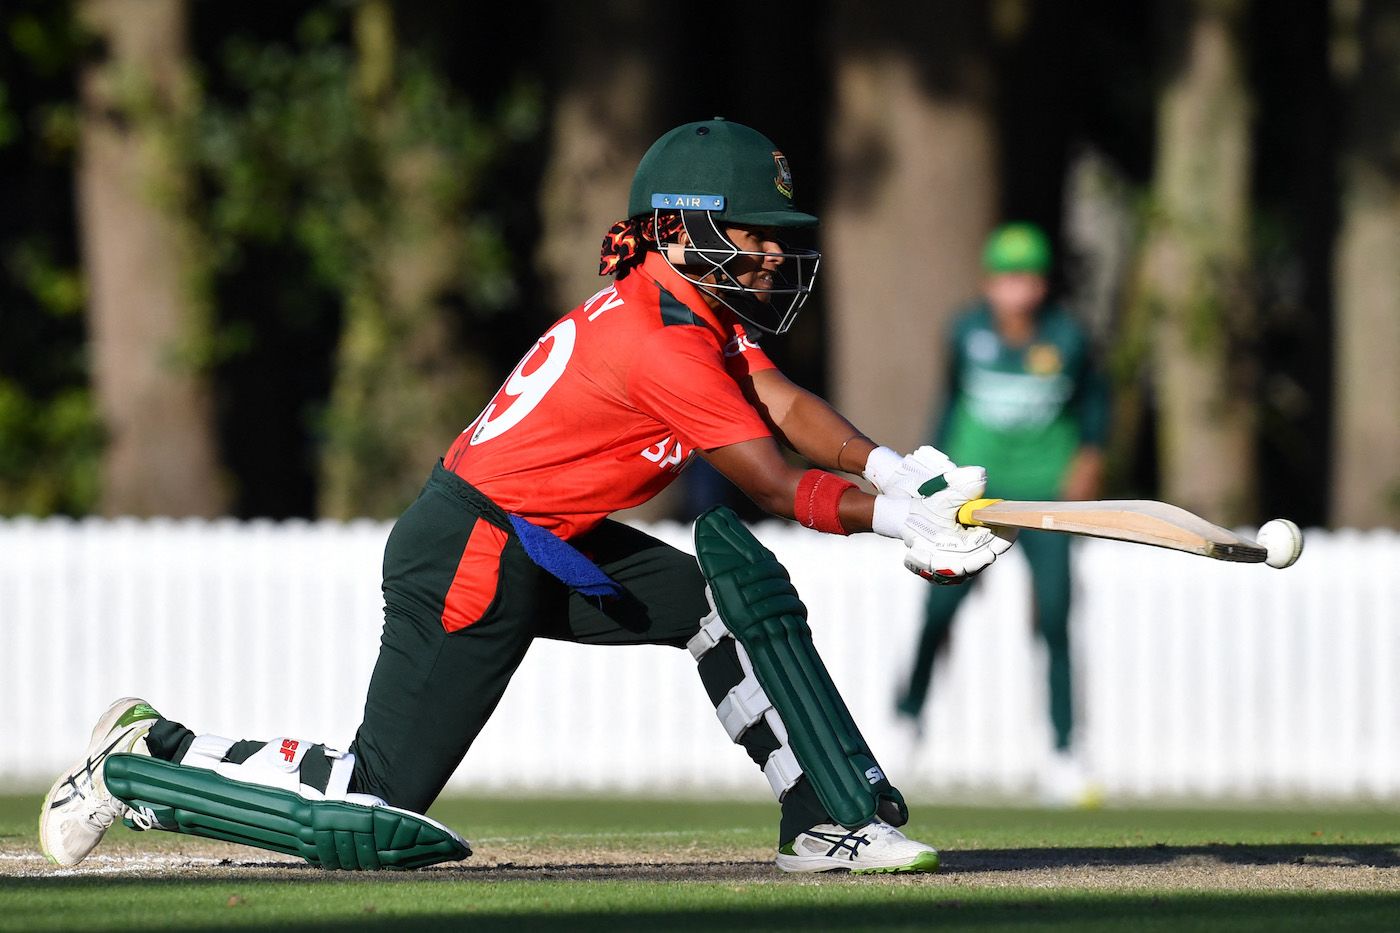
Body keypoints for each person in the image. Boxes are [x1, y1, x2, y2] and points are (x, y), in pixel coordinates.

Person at [40, 119, 1013, 875]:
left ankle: (819, 822)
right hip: (468, 546)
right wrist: (892, 521)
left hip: (548, 538)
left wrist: (890, 469)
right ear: (677, 229)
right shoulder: (657, 339)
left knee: (722, 605)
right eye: (750, 234)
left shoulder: (688, 311)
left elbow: (784, 402)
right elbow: (764, 475)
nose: (767, 256)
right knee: (372, 794)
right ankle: (138, 763)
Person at [893, 221, 1110, 806]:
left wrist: (1090, 458)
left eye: (1028, 279)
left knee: (1058, 615)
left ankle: (1065, 752)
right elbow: (950, 401)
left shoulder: (1068, 336)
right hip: (975, 494)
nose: (1017, 292)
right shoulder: (965, 331)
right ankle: (905, 724)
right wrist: (928, 481)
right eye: (1006, 279)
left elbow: (1095, 408)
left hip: (1044, 495)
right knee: (939, 607)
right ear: (990, 283)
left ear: (1042, 285)